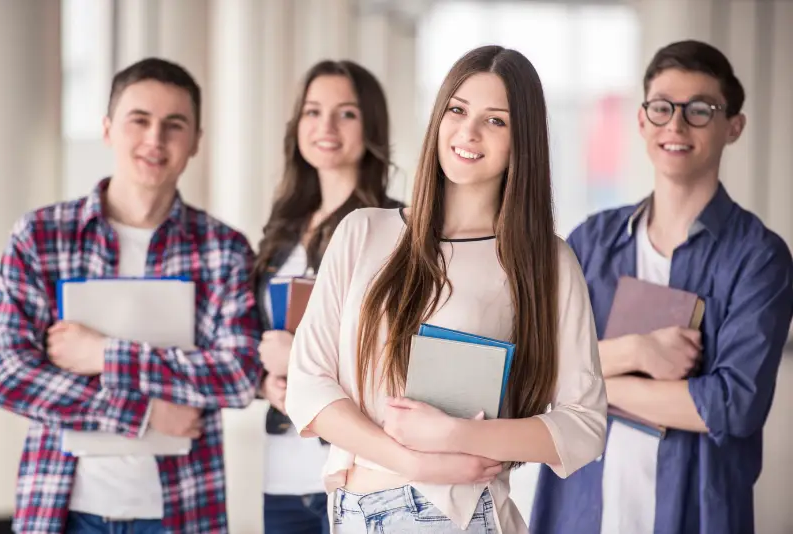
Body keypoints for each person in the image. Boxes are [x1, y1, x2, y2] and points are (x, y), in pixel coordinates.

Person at [284, 45, 607, 533]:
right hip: (352, 511)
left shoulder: (546, 260)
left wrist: (460, 434)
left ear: (523, 141)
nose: (468, 132)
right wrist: (412, 461)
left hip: (454, 516)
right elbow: (307, 385)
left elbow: (584, 425)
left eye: (495, 121)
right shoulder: (363, 231)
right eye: (457, 110)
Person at [529, 40, 793, 534]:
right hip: (579, 509)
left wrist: (594, 387)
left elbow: (732, 406)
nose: (675, 125)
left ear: (733, 126)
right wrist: (636, 351)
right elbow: (538, 366)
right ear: (642, 121)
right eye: (662, 107)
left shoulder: (759, 257)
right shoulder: (591, 242)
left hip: (697, 512)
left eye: (699, 110)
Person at [0, 58, 262, 534]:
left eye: (173, 125)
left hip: (181, 512)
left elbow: (237, 376)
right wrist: (144, 412)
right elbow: (7, 372)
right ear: (107, 129)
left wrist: (102, 353)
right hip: (60, 509)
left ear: (195, 140)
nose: (155, 139)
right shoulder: (39, 236)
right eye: (139, 120)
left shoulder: (224, 249)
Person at [253, 59, 403, 534]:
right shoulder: (282, 231)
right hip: (281, 472)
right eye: (313, 112)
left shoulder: (394, 229)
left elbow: (394, 354)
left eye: (346, 114)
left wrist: (296, 358)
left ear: (371, 126)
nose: (326, 127)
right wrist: (267, 383)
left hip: (355, 471)